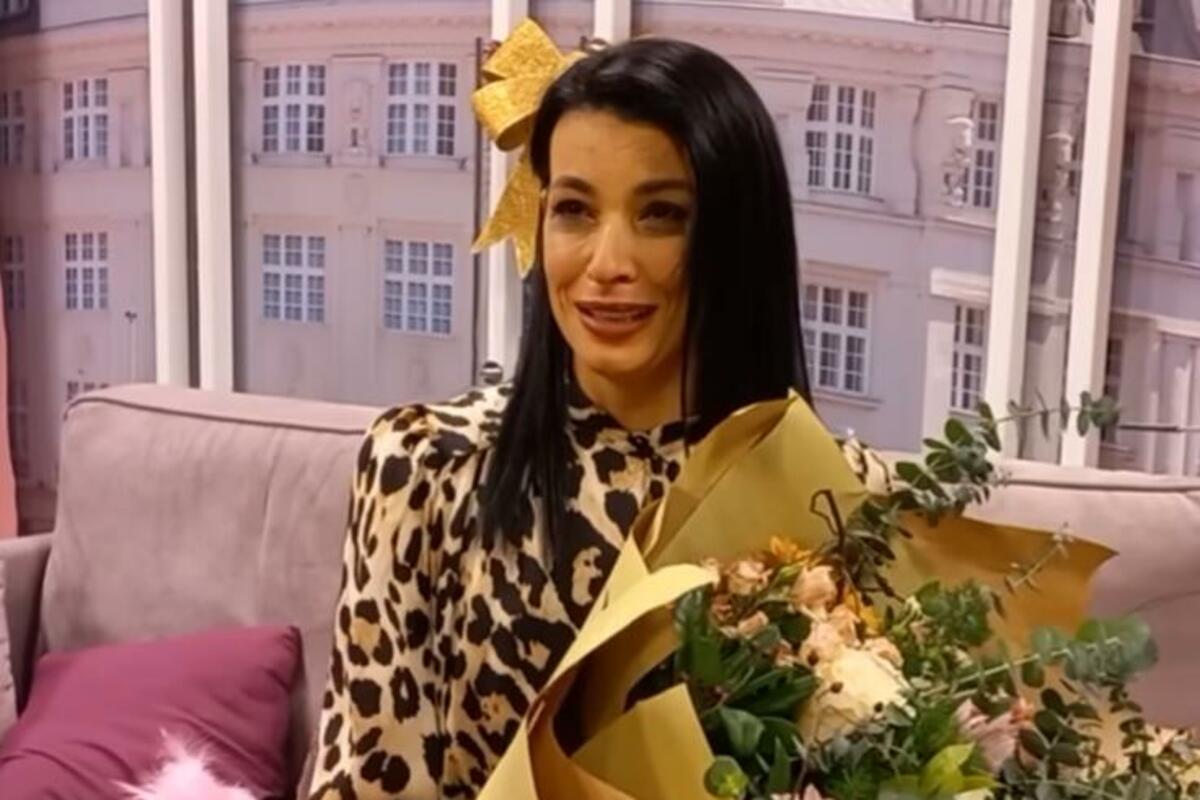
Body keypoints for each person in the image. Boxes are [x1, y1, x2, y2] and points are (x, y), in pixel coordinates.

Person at [307, 30, 811, 800]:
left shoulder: (824, 499)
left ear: (736, 239)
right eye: (574, 210)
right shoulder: (427, 465)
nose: (607, 263)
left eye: (661, 215)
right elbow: (368, 780)